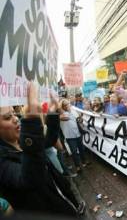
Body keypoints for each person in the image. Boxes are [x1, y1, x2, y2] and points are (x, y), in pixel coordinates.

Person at [0, 83, 85, 216]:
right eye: (7, 117)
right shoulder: (3, 160)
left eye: (13, 114)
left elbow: (50, 140)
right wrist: (31, 123)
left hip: (62, 201)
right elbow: (30, 179)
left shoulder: (21, 142)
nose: (16, 119)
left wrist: (52, 112)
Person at [60, 99, 88, 173]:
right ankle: (78, 166)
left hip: (77, 134)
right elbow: (63, 118)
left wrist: (80, 119)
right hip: (70, 136)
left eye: (68, 104)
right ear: (62, 106)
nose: (67, 105)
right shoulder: (60, 114)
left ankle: (84, 162)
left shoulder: (73, 111)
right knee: (74, 151)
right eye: (65, 104)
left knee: (81, 148)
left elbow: (78, 119)